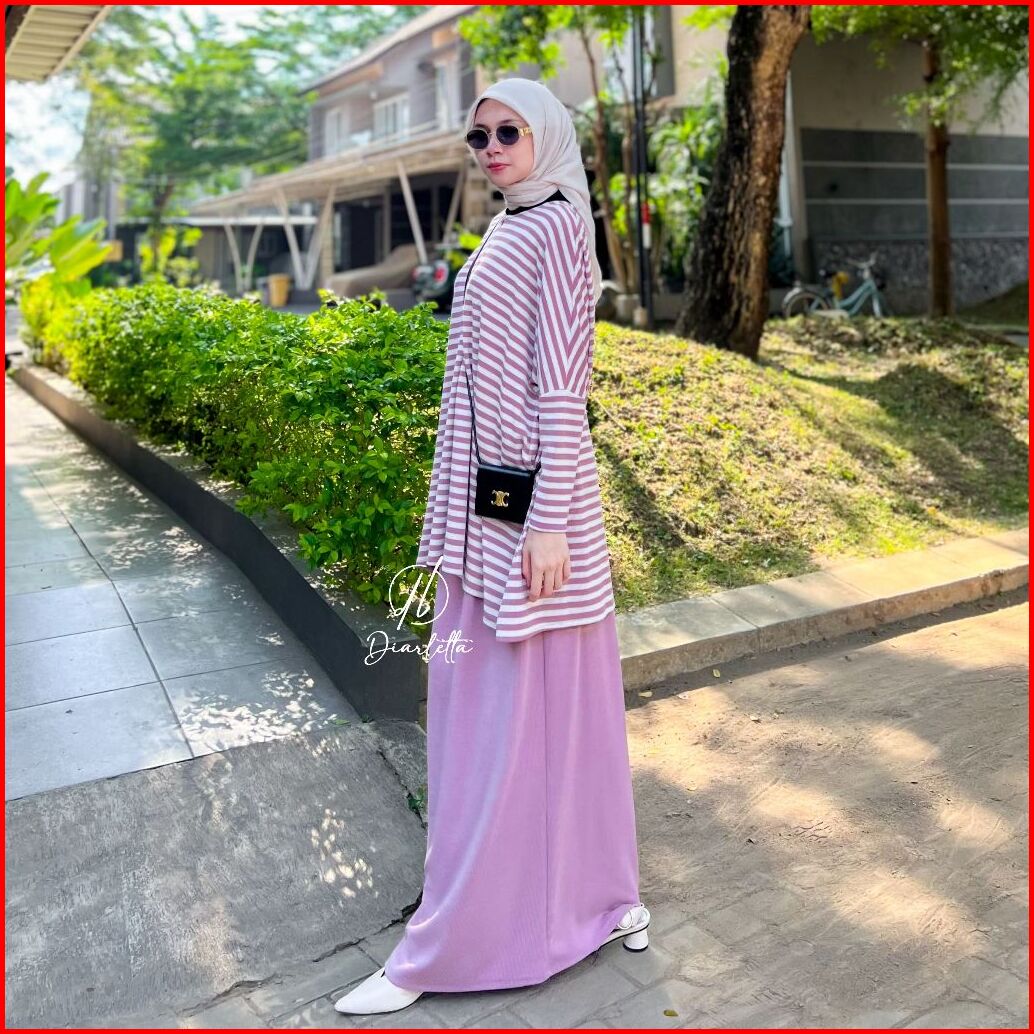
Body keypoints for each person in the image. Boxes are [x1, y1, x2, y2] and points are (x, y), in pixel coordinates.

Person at [334, 76, 650, 1017]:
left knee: (519, 718)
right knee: (502, 714)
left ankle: (463, 941)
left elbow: (562, 384)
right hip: (488, 506)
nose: (492, 148)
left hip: (530, 510)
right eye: (478, 137)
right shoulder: (512, 224)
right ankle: (597, 898)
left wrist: (547, 519)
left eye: (509, 131)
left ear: (546, 134)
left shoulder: (559, 229)